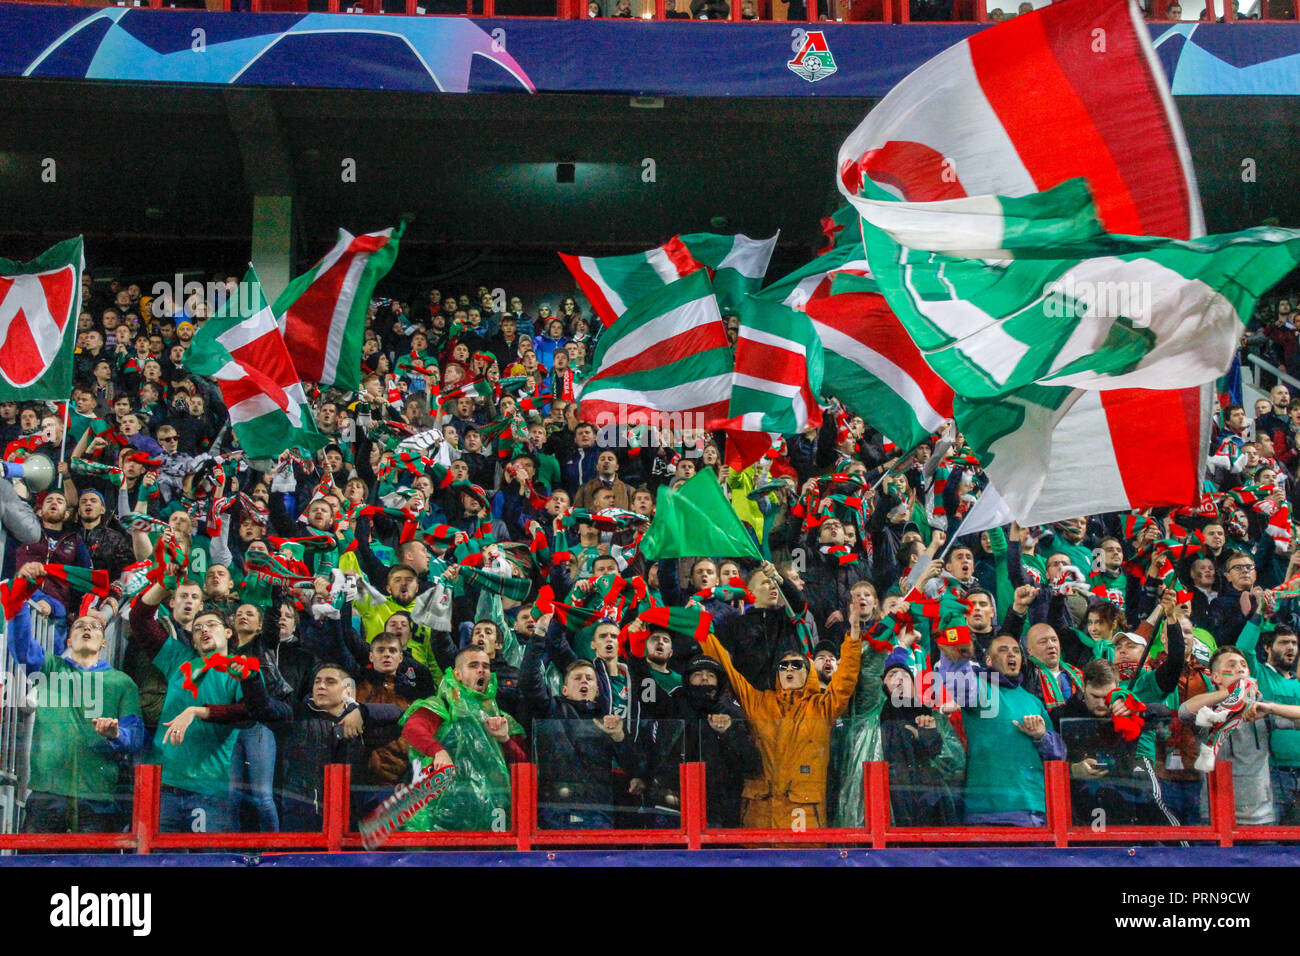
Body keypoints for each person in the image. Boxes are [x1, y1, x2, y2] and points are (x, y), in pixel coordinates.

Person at [696, 598, 862, 830]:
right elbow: (728, 670)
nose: (789, 669)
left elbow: (845, 680)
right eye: (783, 666)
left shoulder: (823, 707)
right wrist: (703, 628)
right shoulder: (759, 702)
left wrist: (853, 634)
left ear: (809, 673)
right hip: (759, 817)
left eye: (796, 665)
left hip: (804, 820)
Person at [5, 585, 145, 833]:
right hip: (47, 792)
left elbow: (135, 736)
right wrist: (17, 602)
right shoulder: (50, 668)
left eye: (95, 627)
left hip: (98, 796)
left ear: (103, 643)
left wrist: (116, 734)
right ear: (69, 640)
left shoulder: (123, 683)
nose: (88, 628)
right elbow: (21, 647)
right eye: (80, 626)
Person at [398, 646, 526, 831]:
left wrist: (505, 740)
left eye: (486, 666)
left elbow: (523, 765)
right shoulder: (443, 705)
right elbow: (413, 730)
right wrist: (439, 752)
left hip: (492, 817)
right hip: (439, 816)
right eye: (473, 665)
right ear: (457, 674)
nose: (481, 670)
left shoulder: (502, 718)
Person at [962, 633, 1066, 826]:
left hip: (1033, 807)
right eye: (1003, 650)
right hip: (985, 809)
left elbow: (1059, 755)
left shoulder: (1033, 701)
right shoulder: (978, 688)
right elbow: (955, 679)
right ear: (988, 660)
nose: (1012, 655)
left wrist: (1041, 736)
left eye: (1016, 651)